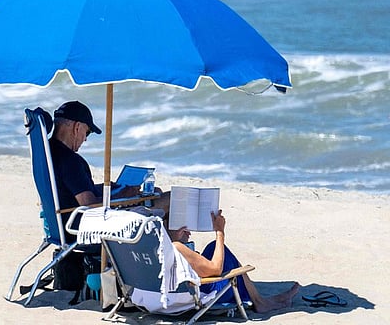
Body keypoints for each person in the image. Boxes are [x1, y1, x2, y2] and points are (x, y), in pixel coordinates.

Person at [50, 100, 170, 239]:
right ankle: (172, 254)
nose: (85, 139)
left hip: (64, 222)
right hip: (84, 228)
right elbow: (90, 205)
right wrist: (123, 196)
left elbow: (70, 190)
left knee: (155, 193)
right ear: (77, 127)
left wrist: (106, 188)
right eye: (87, 133)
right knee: (168, 199)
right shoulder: (70, 160)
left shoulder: (49, 153)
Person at [168, 210, 300, 313]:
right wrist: (220, 232)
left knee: (212, 248)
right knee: (221, 251)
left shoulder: (152, 246)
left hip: (166, 298)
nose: (189, 232)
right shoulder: (176, 247)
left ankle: (260, 300)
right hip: (203, 295)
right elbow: (216, 269)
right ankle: (260, 303)